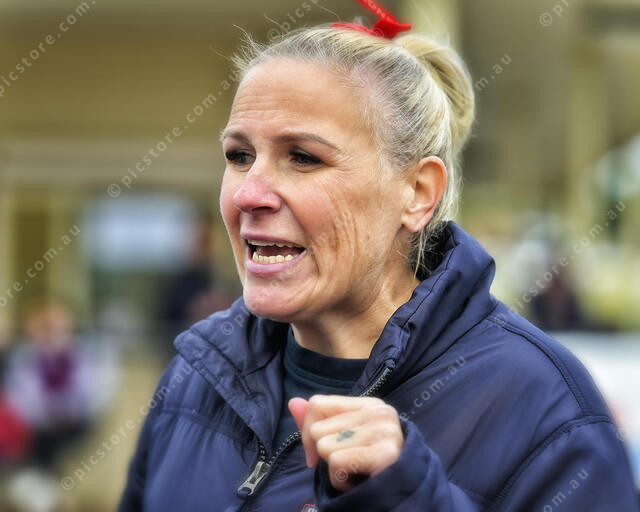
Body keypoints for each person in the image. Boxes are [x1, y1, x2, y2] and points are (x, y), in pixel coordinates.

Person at [118, 3, 639, 511]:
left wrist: (408, 496)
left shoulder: (545, 407)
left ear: (417, 193)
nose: (248, 194)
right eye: (239, 156)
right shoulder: (196, 377)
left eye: (303, 157)